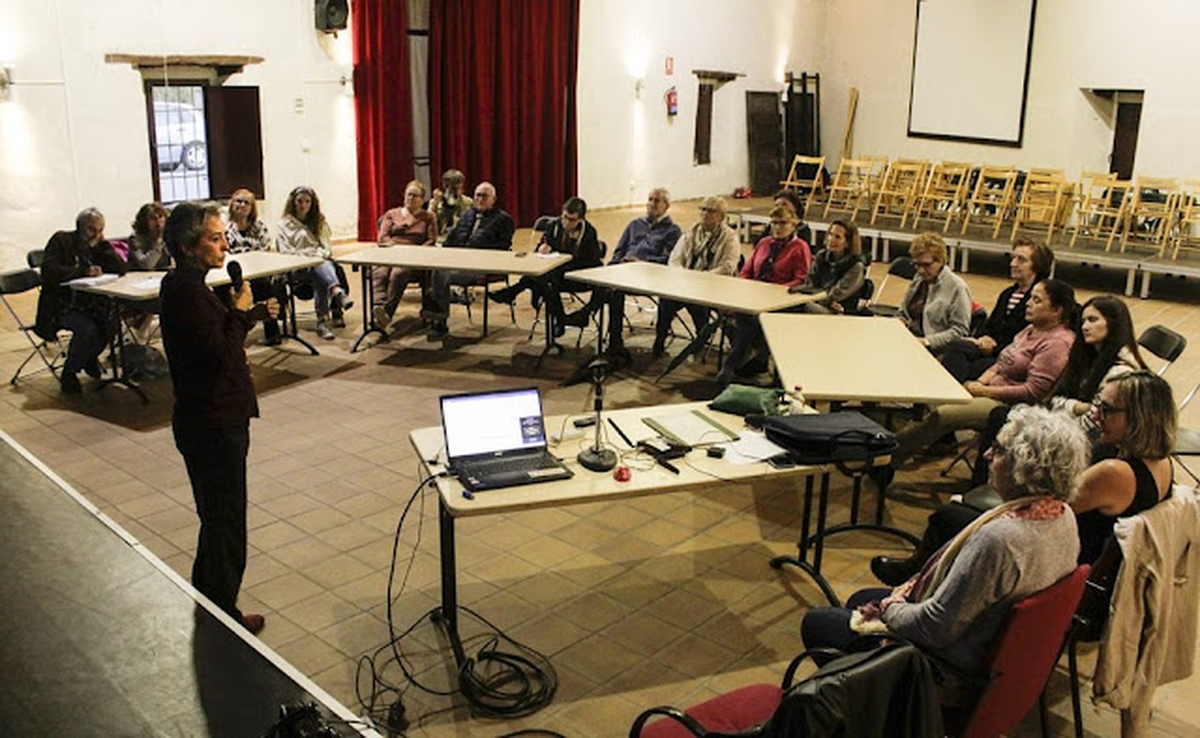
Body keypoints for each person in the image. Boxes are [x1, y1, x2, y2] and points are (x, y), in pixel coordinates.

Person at [804, 405, 1088, 685]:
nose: (987, 454)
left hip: (945, 671)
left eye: (999, 450)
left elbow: (935, 627)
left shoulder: (1001, 539)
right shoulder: (1064, 516)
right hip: (1003, 665)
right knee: (860, 599)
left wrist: (888, 609)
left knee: (818, 624)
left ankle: (867, 705)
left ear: (1024, 468)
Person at [872, 372, 1174, 585]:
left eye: (1106, 409)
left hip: (1063, 559)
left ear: (1139, 417)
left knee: (948, 517)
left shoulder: (1114, 472)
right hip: (1084, 552)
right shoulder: (1161, 462)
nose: (1095, 415)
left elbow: (1048, 508)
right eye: (1098, 404)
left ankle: (918, 579)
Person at [159, 201, 279, 635]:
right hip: (212, 426)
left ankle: (211, 602)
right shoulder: (186, 292)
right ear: (190, 246)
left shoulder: (187, 287)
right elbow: (218, 354)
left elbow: (215, 339)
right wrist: (242, 311)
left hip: (209, 421)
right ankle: (221, 614)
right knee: (226, 522)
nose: (224, 244)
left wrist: (244, 314)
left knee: (218, 519)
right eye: (214, 237)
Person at [888, 279, 1077, 465]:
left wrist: (983, 391)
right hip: (991, 390)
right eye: (1031, 298)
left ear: (1056, 310)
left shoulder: (1057, 343)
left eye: (1037, 300)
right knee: (939, 396)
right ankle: (900, 451)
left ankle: (887, 452)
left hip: (1010, 406)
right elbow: (1002, 363)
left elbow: (1033, 392)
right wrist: (978, 383)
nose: (1028, 303)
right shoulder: (1031, 329)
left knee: (942, 413)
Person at [965, 294, 1148, 487]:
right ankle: (987, 487)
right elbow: (1055, 399)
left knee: (1003, 418)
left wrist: (1064, 413)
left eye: (1093, 320)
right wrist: (1077, 406)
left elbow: (1092, 424)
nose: (1085, 326)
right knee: (1002, 416)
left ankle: (986, 489)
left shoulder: (1120, 371)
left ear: (1114, 324)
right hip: (1066, 423)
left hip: (1086, 441)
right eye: (1084, 320)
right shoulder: (1089, 356)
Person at [35, 208, 129, 394]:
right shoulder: (62, 240)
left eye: (101, 230)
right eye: (92, 230)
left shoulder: (98, 245)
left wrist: (104, 247)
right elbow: (50, 271)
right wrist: (82, 271)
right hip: (61, 305)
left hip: (92, 303)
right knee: (87, 329)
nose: (96, 234)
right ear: (79, 227)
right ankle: (69, 373)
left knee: (112, 324)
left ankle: (88, 356)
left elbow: (120, 269)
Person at [715, 205, 812, 384]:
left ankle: (732, 365)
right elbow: (747, 270)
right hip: (753, 297)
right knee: (737, 314)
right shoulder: (764, 243)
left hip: (782, 302)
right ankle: (755, 359)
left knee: (748, 321)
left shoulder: (800, 247)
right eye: (774, 223)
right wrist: (747, 286)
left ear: (793, 225)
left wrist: (774, 291)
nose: (777, 227)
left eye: (782, 223)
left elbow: (801, 279)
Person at [586, 187, 683, 359]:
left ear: (666, 206)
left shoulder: (672, 231)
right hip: (625, 272)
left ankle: (659, 341)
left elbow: (669, 260)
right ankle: (615, 341)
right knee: (609, 288)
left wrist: (643, 264)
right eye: (650, 199)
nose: (651, 204)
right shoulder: (634, 224)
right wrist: (612, 269)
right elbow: (619, 251)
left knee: (666, 298)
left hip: (652, 277)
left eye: (657, 200)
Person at [940, 237, 1053, 381]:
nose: (1013, 264)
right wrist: (984, 338)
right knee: (956, 348)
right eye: (1013, 258)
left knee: (970, 366)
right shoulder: (1007, 294)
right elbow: (991, 325)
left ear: (1037, 266)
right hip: (991, 350)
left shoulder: (1042, 300)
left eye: (1021, 260)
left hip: (1014, 357)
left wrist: (993, 347)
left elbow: (1027, 339)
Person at [490, 196, 603, 336]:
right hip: (554, 274)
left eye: (571, 220)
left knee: (543, 280)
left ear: (581, 219)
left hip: (575, 276)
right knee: (546, 281)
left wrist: (565, 260)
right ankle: (560, 320)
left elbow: (592, 263)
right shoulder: (554, 225)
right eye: (564, 217)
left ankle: (512, 292)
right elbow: (540, 247)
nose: (566, 222)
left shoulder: (589, 233)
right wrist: (541, 249)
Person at [651, 195, 739, 358]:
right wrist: (684, 275)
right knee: (667, 299)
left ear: (721, 216)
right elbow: (674, 259)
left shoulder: (730, 238)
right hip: (686, 282)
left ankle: (701, 338)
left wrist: (702, 277)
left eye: (711, 211)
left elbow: (728, 267)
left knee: (698, 302)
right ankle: (660, 340)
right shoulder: (690, 233)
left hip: (714, 285)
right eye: (703, 210)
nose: (705, 214)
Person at [426, 181, 515, 341]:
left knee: (440, 275)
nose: (480, 199)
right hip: (459, 263)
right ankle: (435, 314)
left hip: (482, 267)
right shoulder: (467, 215)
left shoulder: (503, 219)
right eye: (477, 196)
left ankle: (439, 321)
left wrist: (476, 253)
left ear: (493, 199)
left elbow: (502, 248)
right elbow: (451, 240)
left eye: (484, 196)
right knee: (433, 270)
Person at [275, 186, 352, 341]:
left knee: (320, 275)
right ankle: (337, 292)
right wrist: (310, 255)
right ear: (293, 202)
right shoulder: (284, 224)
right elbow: (286, 252)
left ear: (312, 203)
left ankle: (322, 322)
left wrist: (316, 256)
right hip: (297, 267)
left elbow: (326, 249)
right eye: (299, 201)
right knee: (321, 268)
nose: (303, 205)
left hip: (318, 263)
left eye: (307, 201)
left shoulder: (319, 221)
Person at [373, 179, 438, 329]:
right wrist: (394, 249)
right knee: (379, 271)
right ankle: (378, 306)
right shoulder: (392, 214)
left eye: (415, 196)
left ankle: (386, 314)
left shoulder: (428, 217)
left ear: (422, 199)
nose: (410, 198)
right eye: (408, 195)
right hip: (391, 252)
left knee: (398, 273)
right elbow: (383, 236)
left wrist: (414, 253)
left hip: (413, 258)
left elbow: (431, 240)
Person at [226, 188, 285, 345]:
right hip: (234, 274)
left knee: (266, 286)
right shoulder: (225, 228)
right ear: (232, 204)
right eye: (239, 201)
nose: (242, 205)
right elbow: (226, 252)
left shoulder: (259, 227)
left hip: (257, 271)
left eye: (247, 203)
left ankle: (272, 333)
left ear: (252, 208)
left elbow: (264, 249)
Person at [900, 232, 972, 355]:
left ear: (941, 261)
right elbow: (903, 312)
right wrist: (900, 322)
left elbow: (960, 330)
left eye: (926, 265)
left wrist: (927, 341)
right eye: (917, 265)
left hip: (937, 351)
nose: (921, 270)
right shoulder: (918, 280)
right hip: (910, 341)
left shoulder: (957, 287)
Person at [790, 219, 866, 314]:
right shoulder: (821, 256)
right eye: (830, 234)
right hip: (817, 301)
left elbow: (836, 295)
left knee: (799, 306)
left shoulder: (856, 266)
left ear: (848, 243)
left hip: (839, 310)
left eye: (837, 237)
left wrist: (812, 299)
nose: (831, 239)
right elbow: (810, 284)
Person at [429, 169, 472, 240]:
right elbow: (428, 222)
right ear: (445, 186)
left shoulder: (468, 202)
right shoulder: (435, 202)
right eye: (453, 188)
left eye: (459, 188)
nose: (457, 192)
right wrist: (435, 204)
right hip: (440, 239)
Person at [127, 202, 171, 271]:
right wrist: (158, 242)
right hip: (140, 278)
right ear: (144, 221)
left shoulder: (168, 235)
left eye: (160, 216)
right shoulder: (135, 239)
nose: (158, 221)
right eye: (153, 218)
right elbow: (146, 264)